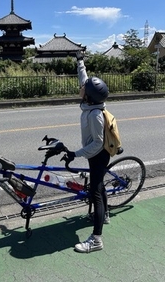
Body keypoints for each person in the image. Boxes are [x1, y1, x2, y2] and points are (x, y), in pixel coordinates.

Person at [67, 50, 110, 253]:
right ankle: (106, 215)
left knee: (96, 192)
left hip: (98, 155)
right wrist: (80, 61)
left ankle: (96, 240)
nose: (80, 88)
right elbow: (84, 80)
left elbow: (99, 144)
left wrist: (76, 154)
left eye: (83, 89)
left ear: (89, 96)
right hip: (94, 154)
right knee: (98, 186)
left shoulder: (94, 115)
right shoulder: (89, 103)